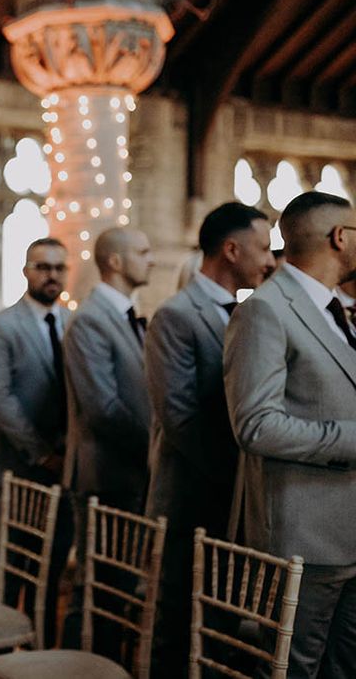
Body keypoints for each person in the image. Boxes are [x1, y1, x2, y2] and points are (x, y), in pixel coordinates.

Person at [224, 191, 356, 678]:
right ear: (340, 238)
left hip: (350, 530)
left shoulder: (333, 309)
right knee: (293, 670)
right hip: (307, 537)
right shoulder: (265, 311)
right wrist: (351, 438)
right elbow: (255, 424)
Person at [145, 202, 275, 678]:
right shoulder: (176, 315)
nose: (269, 260)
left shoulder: (249, 312)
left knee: (220, 624)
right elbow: (178, 418)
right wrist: (239, 473)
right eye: (262, 248)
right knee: (177, 623)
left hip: (234, 501)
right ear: (231, 249)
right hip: (191, 496)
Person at [0, 237, 73, 649]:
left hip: (65, 465)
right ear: (26, 270)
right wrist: (42, 452)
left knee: (52, 559)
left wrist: (67, 451)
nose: (51, 274)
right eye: (42, 266)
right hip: (17, 462)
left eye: (58, 267)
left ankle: (40, 642)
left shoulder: (74, 322)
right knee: (11, 558)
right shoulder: (2, 324)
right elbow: (0, 398)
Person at [63, 226, 153, 514]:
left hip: (131, 474)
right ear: (115, 262)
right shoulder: (90, 319)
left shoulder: (126, 314)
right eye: (142, 253)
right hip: (106, 477)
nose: (151, 260)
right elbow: (102, 408)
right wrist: (154, 446)